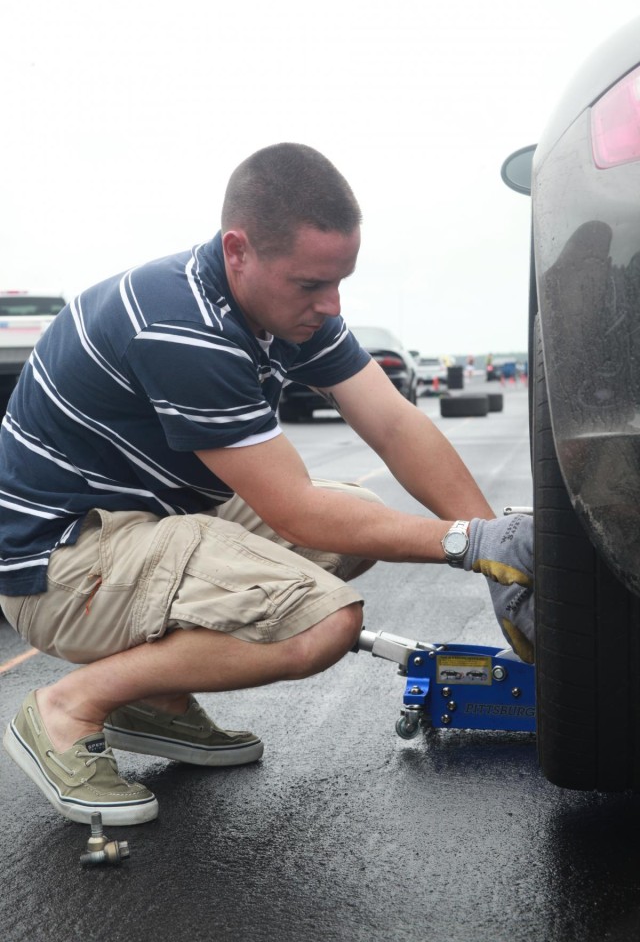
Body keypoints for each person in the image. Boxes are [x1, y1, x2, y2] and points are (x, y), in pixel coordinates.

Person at [0, 143, 533, 826]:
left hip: (141, 522)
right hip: (62, 565)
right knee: (321, 624)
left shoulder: (281, 311)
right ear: (238, 251)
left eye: (340, 281)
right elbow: (298, 510)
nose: (331, 304)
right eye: (312, 284)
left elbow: (395, 425)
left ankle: (152, 699)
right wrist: (472, 541)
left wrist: (499, 558)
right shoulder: (180, 325)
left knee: (359, 516)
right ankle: (67, 707)